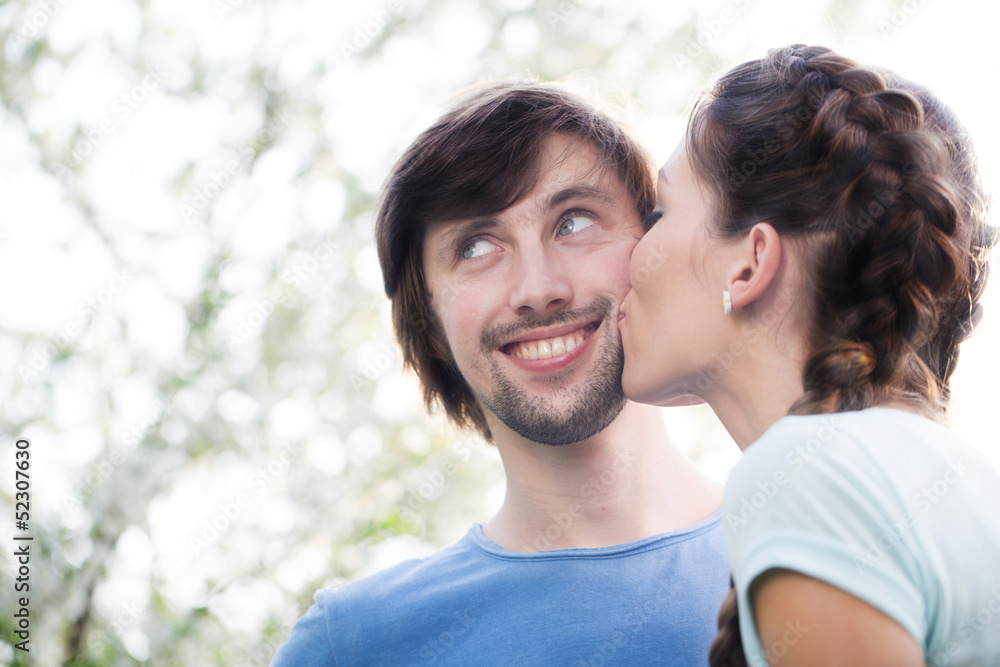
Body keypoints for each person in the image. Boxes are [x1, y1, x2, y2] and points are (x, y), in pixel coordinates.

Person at [272, 82, 730, 665]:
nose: (538, 290)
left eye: (574, 222)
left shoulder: (832, 544)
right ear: (431, 326)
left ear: (654, 247)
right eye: (476, 247)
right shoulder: (356, 645)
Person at [619, 44, 1000, 666]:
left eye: (661, 211)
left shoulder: (806, 477)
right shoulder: (960, 475)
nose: (630, 256)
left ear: (750, 264)